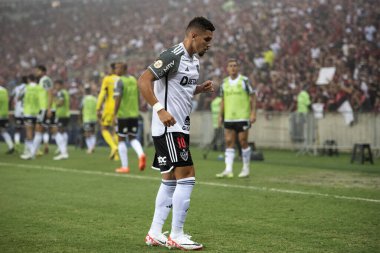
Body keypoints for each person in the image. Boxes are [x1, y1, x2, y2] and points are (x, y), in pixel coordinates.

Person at [138, 16, 215, 250]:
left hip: (180, 126)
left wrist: (198, 89)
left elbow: (180, 89)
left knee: (170, 180)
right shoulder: (173, 55)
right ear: (193, 35)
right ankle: (177, 234)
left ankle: (154, 233)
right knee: (188, 175)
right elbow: (143, 80)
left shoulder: (194, 61)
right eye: (206, 39)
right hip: (170, 127)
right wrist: (160, 110)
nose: (209, 44)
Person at [216, 59, 257, 178]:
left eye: (235, 66)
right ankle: (228, 169)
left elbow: (253, 96)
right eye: (230, 66)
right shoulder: (224, 83)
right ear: (227, 69)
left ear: (238, 68)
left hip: (242, 116)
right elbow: (222, 101)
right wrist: (220, 115)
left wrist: (253, 113)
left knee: (243, 141)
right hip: (229, 117)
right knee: (229, 142)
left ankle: (246, 168)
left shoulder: (244, 81)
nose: (233, 68)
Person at [113, 63, 146, 173]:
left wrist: (114, 114)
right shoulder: (133, 80)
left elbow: (117, 98)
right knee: (132, 138)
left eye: (117, 67)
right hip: (134, 114)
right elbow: (137, 96)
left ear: (123, 69)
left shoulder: (120, 81)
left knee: (121, 139)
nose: (116, 69)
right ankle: (141, 154)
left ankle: (125, 166)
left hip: (123, 115)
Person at [21, 65, 54, 160]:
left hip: (43, 108)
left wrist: (48, 108)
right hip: (40, 108)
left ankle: (32, 153)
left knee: (39, 130)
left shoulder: (45, 79)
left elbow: (50, 93)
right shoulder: (41, 81)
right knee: (38, 130)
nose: (36, 72)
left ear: (43, 71)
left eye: (37, 71)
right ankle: (33, 153)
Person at [96, 62, 123, 160]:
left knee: (104, 128)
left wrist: (98, 107)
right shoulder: (121, 79)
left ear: (111, 69)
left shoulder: (107, 79)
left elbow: (102, 94)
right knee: (115, 130)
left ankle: (113, 147)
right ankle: (116, 155)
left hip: (109, 108)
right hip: (119, 107)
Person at [20, 74, 41, 157]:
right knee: (37, 132)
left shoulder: (25, 88)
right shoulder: (39, 88)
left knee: (29, 132)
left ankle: (31, 152)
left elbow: (19, 97)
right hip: (37, 112)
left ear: (28, 80)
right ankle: (34, 150)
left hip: (28, 112)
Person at [51, 80, 70, 160]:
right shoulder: (65, 92)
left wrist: (54, 100)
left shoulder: (61, 93)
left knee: (56, 131)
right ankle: (64, 149)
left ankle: (63, 152)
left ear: (60, 85)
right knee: (62, 132)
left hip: (61, 114)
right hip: (65, 114)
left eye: (57, 85)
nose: (56, 87)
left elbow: (60, 103)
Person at [80, 85, 97, 154]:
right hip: (94, 118)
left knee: (87, 134)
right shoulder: (94, 99)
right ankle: (91, 147)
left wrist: (80, 118)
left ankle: (90, 148)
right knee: (92, 133)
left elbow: (80, 108)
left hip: (87, 118)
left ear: (85, 91)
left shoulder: (84, 99)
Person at [11, 76, 27, 150]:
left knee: (17, 128)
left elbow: (11, 97)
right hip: (26, 111)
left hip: (17, 110)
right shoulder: (29, 88)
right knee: (27, 128)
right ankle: (28, 146)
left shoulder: (16, 88)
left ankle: (16, 142)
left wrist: (11, 107)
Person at [0, 76, 15, 154]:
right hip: (4, 114)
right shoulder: (5, 90)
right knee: (3, 131)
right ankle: (11, 146)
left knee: (3, 131)